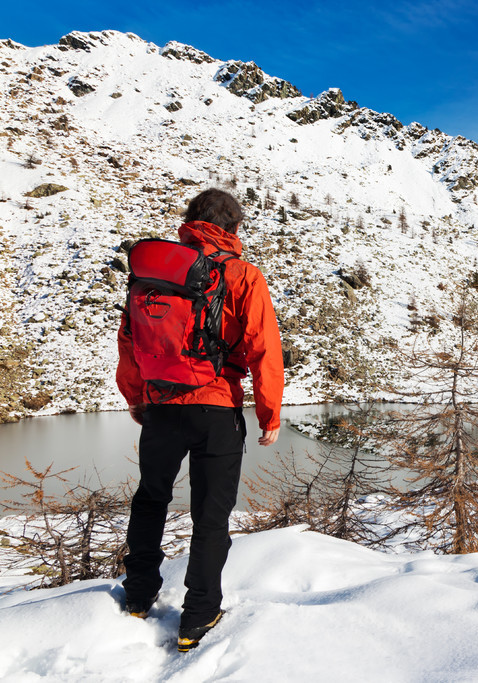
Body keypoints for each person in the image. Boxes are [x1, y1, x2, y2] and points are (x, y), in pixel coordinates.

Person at [116, 188, 284, 651]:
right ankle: (198, 615)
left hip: (160, 407)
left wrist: (137, 396)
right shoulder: (243, 274)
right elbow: (263, 348)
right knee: (211, 515)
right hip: (216, 409)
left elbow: (129, 339)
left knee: (150, 499)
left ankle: (138, 596)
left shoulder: (152, 273)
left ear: (189, 221)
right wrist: (270, 412)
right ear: (233, 229)